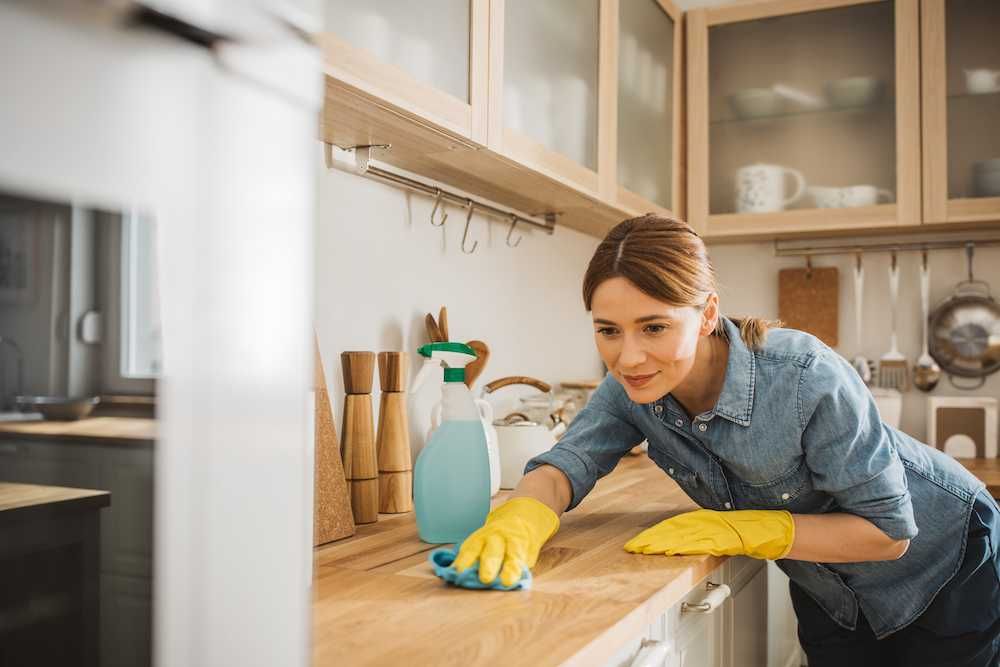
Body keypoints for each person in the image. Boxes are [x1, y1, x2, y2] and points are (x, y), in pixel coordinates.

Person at [453, 215, 1000, 666]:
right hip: (829, 587)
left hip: (944, 560)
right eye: (608, 330)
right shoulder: (630, 388)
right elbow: (568, 463)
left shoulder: (805, 374)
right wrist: (521, 517)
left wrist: (744, 528)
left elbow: (888, 534)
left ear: (707, 313)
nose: (628, 356)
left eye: (655, 327)